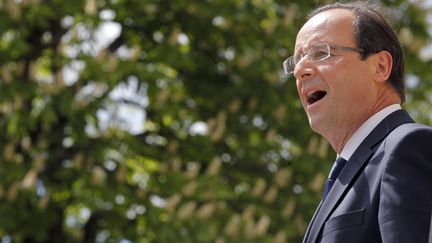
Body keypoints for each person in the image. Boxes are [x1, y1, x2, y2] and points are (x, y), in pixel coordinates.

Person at [283, 1, 432, 243]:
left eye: (321, 53)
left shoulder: (407, 147)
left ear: (381, 66)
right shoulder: (345, 173)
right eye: (297, 60)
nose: (301, 70)